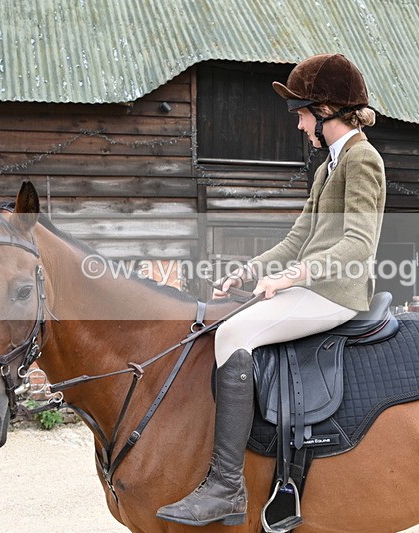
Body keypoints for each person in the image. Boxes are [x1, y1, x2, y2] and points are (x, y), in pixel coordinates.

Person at [156, 53, 386, 526]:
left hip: (336, 294)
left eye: (302, 113)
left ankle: (226, 487)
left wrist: (292, 277)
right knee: (226, 321)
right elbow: (299, 238)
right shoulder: (327, 167)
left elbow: (359, 244)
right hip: (312, 287)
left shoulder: (363, 160)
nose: (299, 124)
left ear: (326, 111)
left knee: (231, 336)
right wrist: (248, 271)